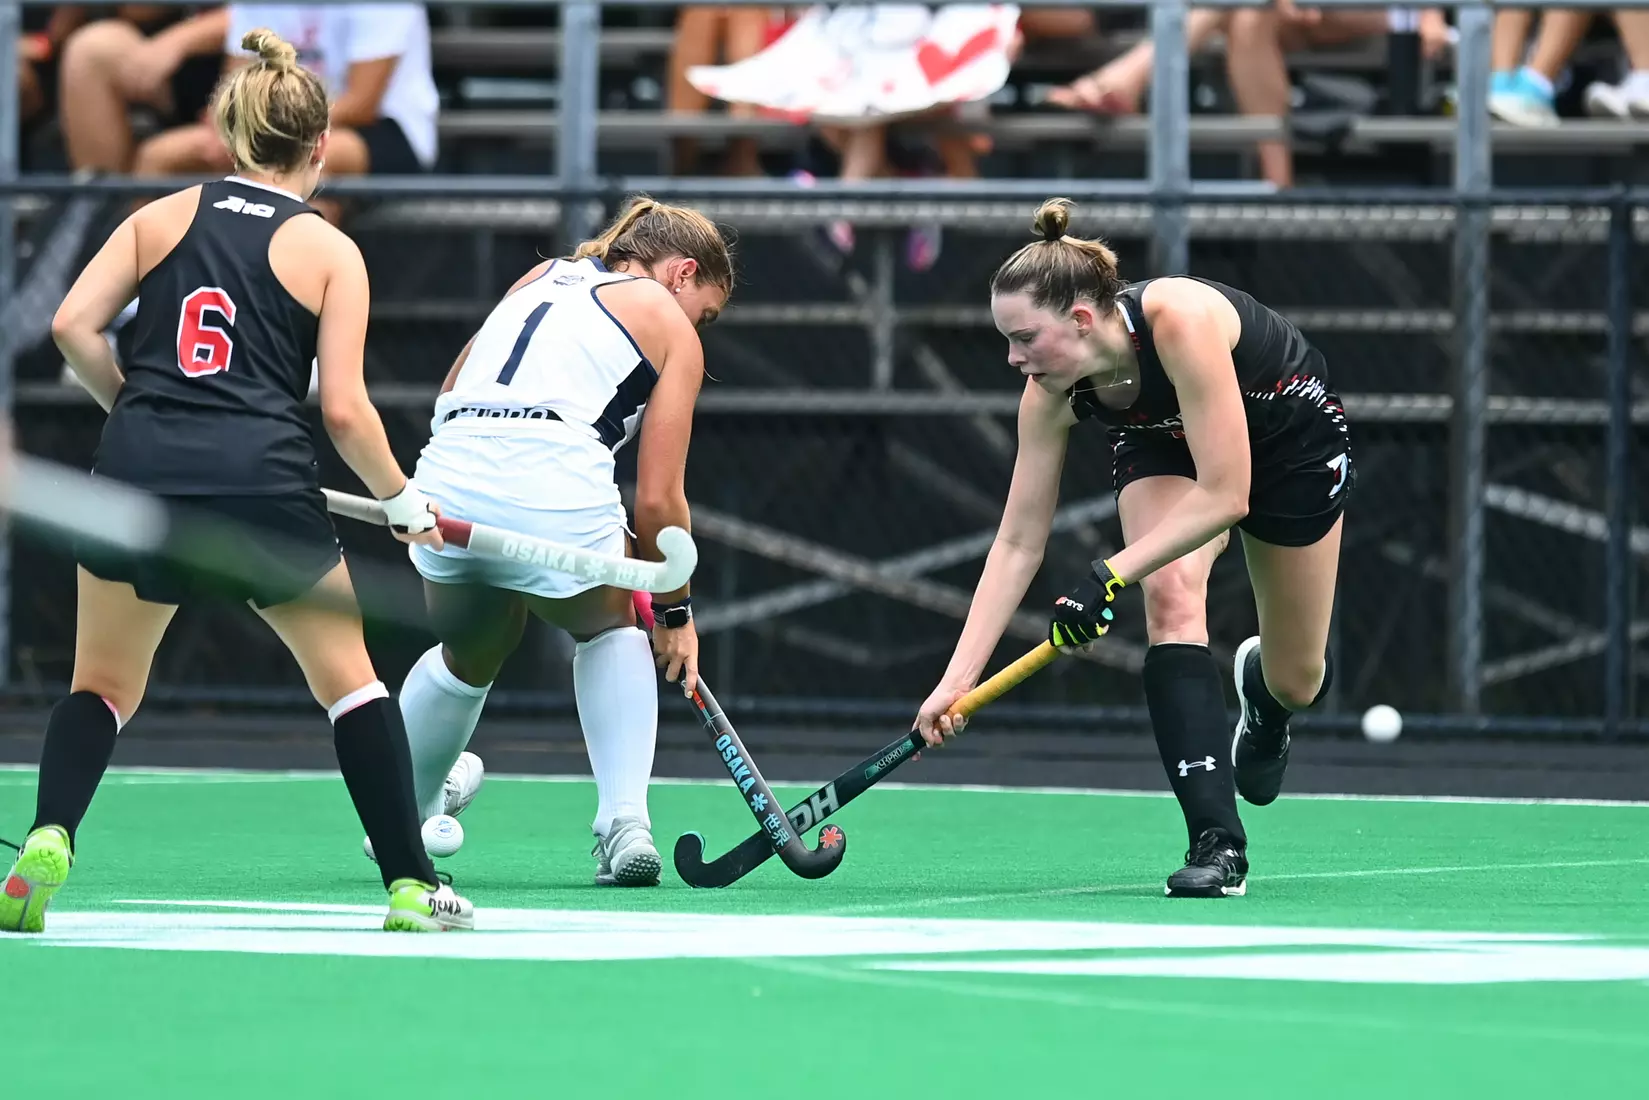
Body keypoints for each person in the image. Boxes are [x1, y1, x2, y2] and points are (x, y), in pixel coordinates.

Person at [0, 30, 472, 935]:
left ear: (226, 134)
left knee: (100, 687)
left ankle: (50, 835)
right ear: (321, 146)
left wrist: (132, 408)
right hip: (262, 481)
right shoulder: (329, 250)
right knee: (352, 686)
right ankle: (412, 887)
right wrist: (402, 502)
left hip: (137, 473)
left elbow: (69, 326)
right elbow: (345, 413)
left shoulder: (158, 215)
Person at [914, 198, 1352, 898]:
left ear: (1081, 320)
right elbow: (1018, 541)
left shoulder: (1178, 321)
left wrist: (1106, 574)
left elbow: (1227, 494)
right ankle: (1217, 842)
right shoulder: (1050, 392)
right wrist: (956, 680)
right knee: (1169, 592)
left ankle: (1266, 703)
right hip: (1162, 442)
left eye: (1024, 338)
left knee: (1297, 678)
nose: (1013, 358)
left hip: (1288, 443)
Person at [385, 197, 733, 887]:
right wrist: (674, 612)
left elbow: (453, 389)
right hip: (555, 479)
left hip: (447, 477)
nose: (702, 327)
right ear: (682, 273)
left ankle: (398, 816)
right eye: (708, 313)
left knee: (471, 650)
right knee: (611, 626)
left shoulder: (538, 276)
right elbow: (659, 501)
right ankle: (624, 825)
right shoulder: (669, 323)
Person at [132, 3, 438, 181]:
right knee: (157, 156)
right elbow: (237, 81)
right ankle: (142, 274)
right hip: (272, 124)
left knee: (297, 163)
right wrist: (227, 127)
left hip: (381, 128)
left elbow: (360, 105)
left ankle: (272, 272)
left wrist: (266, 133)